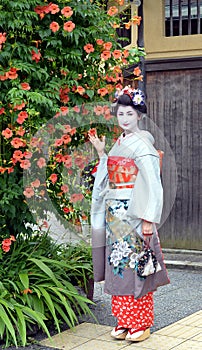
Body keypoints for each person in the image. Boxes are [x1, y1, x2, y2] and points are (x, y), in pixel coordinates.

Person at [88, 86, 170, 342]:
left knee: (138, 266)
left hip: (134, 214)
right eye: (120, 113)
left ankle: (141, 323)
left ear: (139, 116)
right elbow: (108, 177)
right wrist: (103, 153)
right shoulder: (120, 143)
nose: (123, 118)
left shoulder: (143, 145)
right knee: (118, 265)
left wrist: (148, 218)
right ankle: (124, 320)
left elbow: (152, 184)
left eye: (129, 113)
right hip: (115, 215)